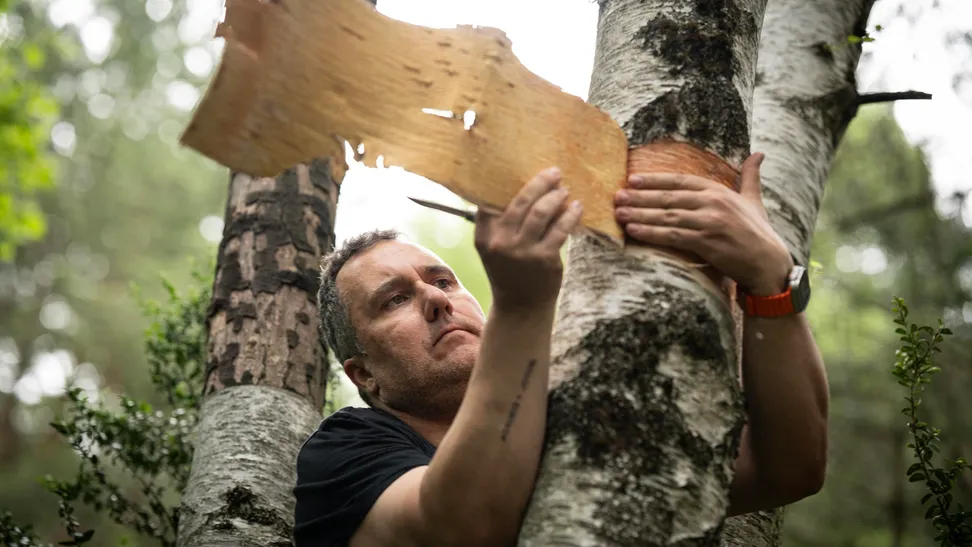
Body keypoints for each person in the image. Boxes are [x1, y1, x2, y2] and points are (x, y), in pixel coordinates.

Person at [293, 154, 829, 547]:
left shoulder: (563, 408)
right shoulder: (341, 455)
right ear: (364, 376)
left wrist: (768, 279)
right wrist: (524, 305)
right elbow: (464, 525)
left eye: (444, 280)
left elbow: (787, 469)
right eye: (395, 300)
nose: (435, 298)